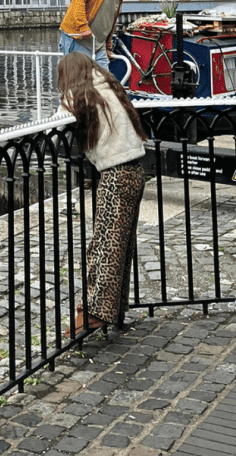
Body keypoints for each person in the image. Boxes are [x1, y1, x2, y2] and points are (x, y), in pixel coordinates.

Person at [57, 51, 147, 333]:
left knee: (105, 246)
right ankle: (115, 309)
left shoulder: (78, 94)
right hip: (136, 171)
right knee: (122, 245)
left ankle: (95, 312)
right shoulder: (109, 85)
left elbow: (57, 124)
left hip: (116, 175)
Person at [60, 0, 142, 70]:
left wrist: (108, 46)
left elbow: (112, 20)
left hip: (99, 46)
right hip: (78, 40)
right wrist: (83, 27)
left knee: (105, 78)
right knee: (81, 78)